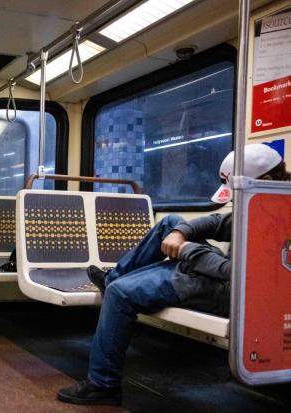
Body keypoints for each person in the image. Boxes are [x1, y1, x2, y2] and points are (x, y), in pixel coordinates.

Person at [57, 143, 291, 406]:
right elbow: (219, 223)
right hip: (218, 276)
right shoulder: (266, 201)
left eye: (237, 193)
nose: (236, 200)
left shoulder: (281, 220)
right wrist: (182, 233)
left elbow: (235, 274)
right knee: (171, 223)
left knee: (120, 294)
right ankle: (114, 276)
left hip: (233, 292)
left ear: (266, 180)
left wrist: (187, 250)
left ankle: (103, 384)